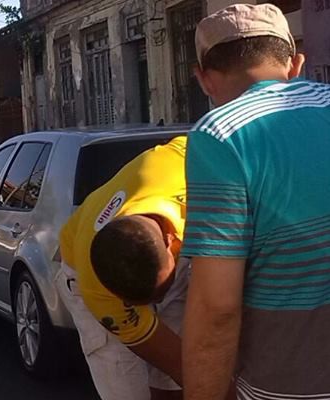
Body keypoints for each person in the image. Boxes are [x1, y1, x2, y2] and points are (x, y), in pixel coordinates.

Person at [181, 4, 330, 399]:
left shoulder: (220, 136)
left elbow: (217, 308)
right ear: (296, 63)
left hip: (292, 383)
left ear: (204, 80)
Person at [57, 136, 189, 400]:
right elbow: (177, 363)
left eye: (159, 293)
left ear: (170, 241)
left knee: (174, 385)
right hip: (83, 275)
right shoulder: (98, 288)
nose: (156, 305)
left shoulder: (186, 162)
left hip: (179, 244)